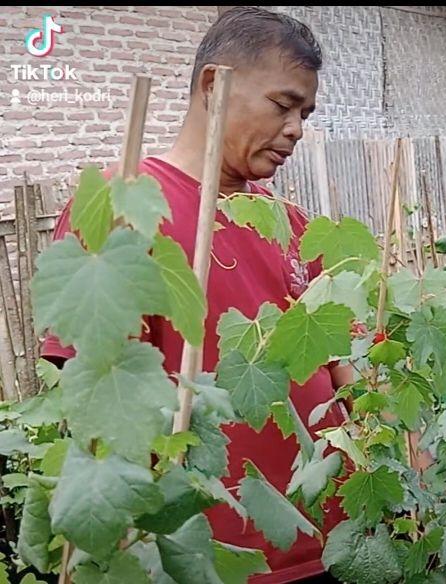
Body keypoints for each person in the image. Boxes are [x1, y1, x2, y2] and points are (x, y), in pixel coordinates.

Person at [41, 7, 352, 584]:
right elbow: (93, 395)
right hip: (211, 560)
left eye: (306, 113)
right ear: (215, 85)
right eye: (283, 106)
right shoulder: (125, 205)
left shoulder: (292, 225)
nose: (298, 129)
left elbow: (349, 373)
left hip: (333, 549)